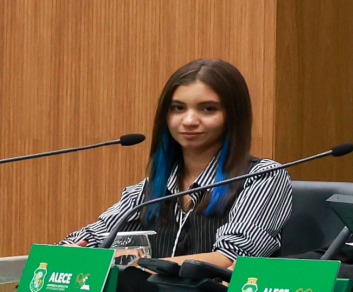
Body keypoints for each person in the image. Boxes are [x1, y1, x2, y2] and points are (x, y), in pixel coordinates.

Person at [68, 58, 286, 263]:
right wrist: (71, 252)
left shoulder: (261, 177)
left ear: (233, 116)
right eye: (178, 108)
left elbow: (232, 255)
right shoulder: (148, 190)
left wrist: (139, 265)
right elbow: (92, 238)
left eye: (208, 109)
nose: (189, 121)